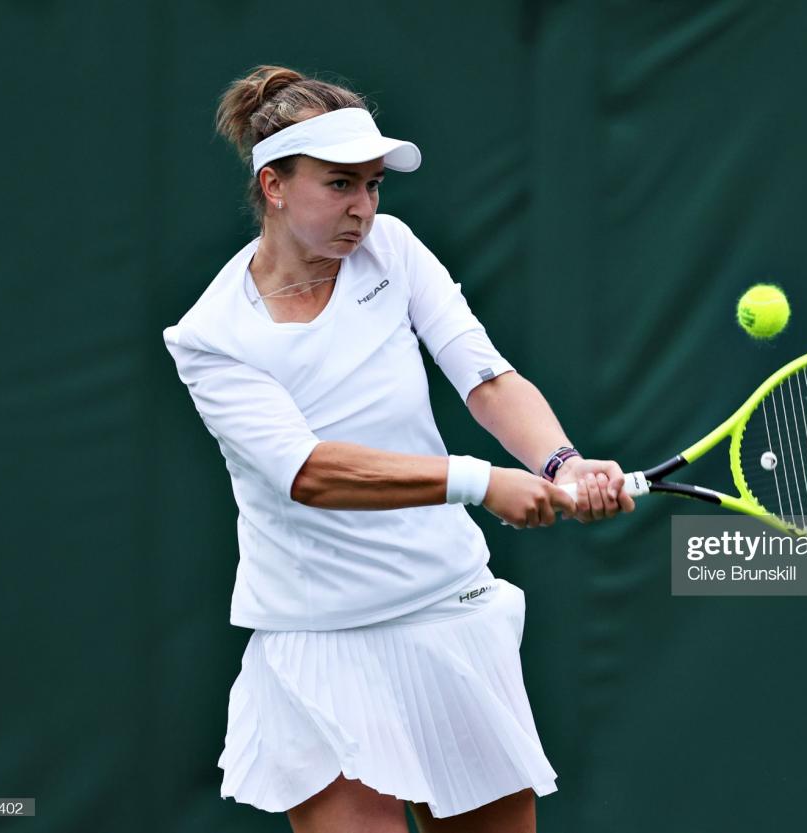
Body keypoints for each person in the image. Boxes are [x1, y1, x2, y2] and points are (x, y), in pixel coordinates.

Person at [162, 65, 636, 833]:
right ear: (274, 186)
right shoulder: (211, 337)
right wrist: (481, 482)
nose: (364, 208)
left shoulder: (394, 249)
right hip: (315, 640)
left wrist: (562, 462)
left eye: (374, 185)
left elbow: (485, 377)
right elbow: (310, 472)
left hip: (444, 614)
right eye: (341, 185)